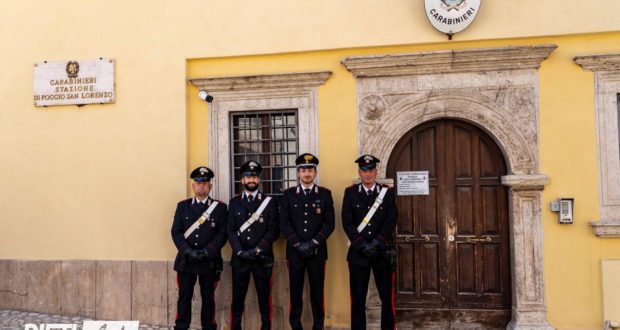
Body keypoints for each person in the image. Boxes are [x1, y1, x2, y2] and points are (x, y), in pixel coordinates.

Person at [280, 153, 335, 330]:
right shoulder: (288, 195)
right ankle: (296, 326)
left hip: (317, 252)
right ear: (298, 173)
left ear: (315, 173)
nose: (307, 173)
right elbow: (284, 223)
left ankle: (318, 326)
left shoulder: (325, 194)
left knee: (317, 294)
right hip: (295, 253)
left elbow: (329, 223)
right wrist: (297, 243)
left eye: (310, 170)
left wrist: (313, 243)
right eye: (303, 170)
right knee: (295, 293)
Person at [342, 155, 397, 330]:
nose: (368, 174)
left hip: (381, 253)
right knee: (358, 298)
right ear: (359, 173)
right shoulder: (350, 193)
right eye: (364, 170)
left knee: (387, 297)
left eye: (371, 170)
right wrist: (361, 244)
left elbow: (391, 220)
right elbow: (347, 221)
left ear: (376, 171)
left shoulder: (386, 193)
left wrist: (377, 242)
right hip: (359, 254)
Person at [171, 166, 228, 330]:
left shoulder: (219, 208)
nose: (201, 186)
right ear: (193, 186)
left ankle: (208, 327)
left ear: (210, 186)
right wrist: (187, 250)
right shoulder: (183, 206)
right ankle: (181, 326)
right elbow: (176, 231)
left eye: (205, 183)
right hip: (186, 260)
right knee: (184, 297)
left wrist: (208, 251)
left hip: (209, 260)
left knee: (208, 298)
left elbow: (222, 233)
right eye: (198, 183)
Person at [227, 160, 279, 330]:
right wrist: (240, 251)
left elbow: (273, 229)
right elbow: (230, 230)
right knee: (237, 300)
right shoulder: (234, 203)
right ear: (242, 180)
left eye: (254, 176)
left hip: (261, 259)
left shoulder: (269, 202)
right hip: (240, 259)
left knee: (265, 300)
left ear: (258, 179)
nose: (251, 180)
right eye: (247, 176)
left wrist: (258, 249)